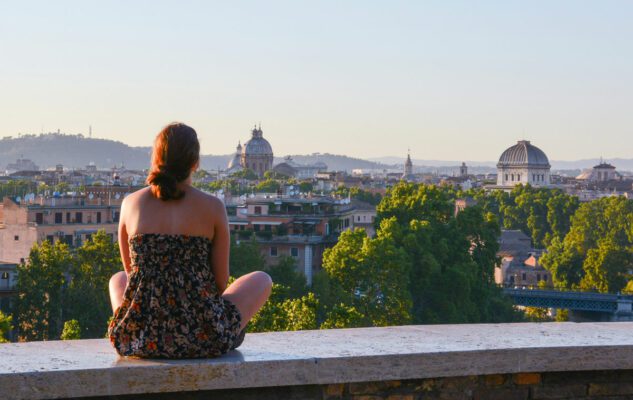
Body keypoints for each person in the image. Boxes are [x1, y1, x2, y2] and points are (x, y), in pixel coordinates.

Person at [107, 122, 272, 358]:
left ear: (156, 158)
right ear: (195, 162)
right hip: (203, 335)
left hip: (141, 335)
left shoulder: (130, 203)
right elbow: (220, 283)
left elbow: (132, 276)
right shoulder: (213, 207)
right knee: (262, 280)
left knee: (118, 279)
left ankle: (133, 329)